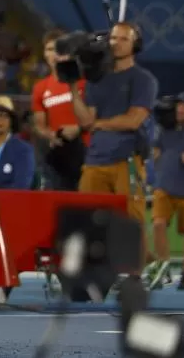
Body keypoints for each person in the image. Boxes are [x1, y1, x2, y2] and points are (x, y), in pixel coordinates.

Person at [70, 22, 158, 273]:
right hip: (95, 159)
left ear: (135, 45)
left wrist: (99, 124)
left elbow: (134, 119)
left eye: (123, 39)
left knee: (132, 218)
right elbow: (85, 121)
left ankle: (135, 275)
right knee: (87, 218)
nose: (115, 43)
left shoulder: (143, 80)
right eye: (113, 38)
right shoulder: (97, 81)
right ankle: (92, 272)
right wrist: (73, 89)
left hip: (127, 159)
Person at [30, 29, 88, 191]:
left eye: (58, 49)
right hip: (59, 154)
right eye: (49, 49)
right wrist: (51, 135)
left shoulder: (85, 82)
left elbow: (98, 113)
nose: (54, 54)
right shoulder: (40, 88)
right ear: (44, 54)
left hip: (87, 151)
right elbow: (39, 124)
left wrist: (77, 128)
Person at [149, 92, 184, 290]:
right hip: (164, 186)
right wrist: (159, 165)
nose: (180, 108)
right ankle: (163, 266)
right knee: (158, 224)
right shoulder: (165, 128)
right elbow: (156, 150)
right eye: (179, 105)